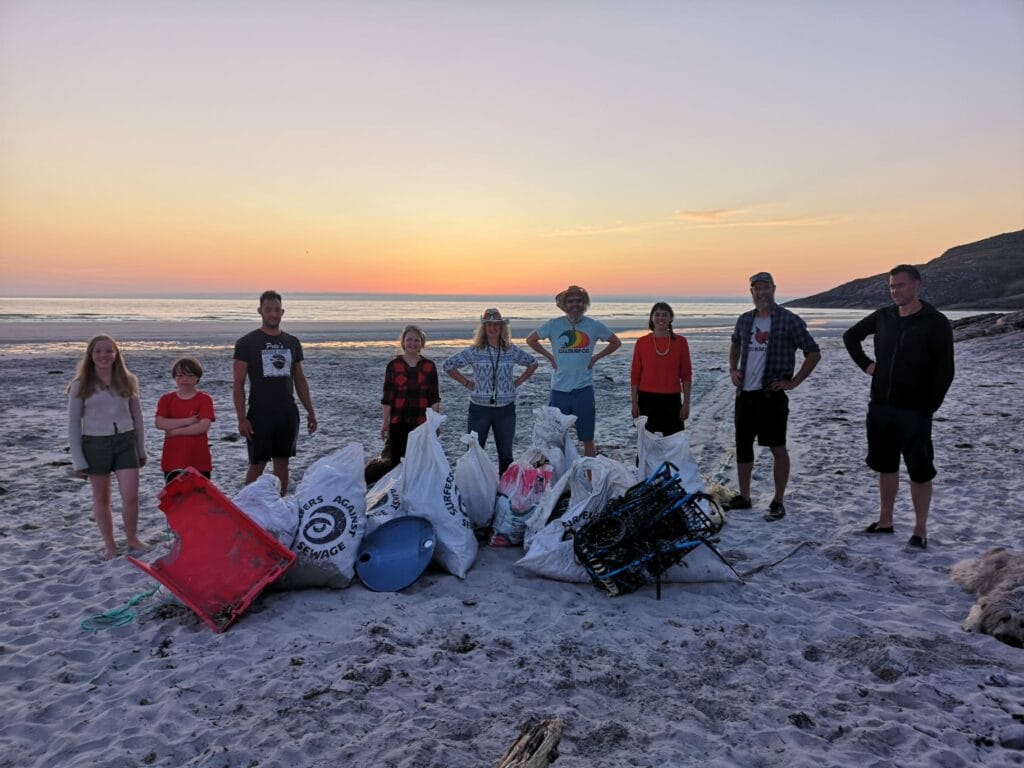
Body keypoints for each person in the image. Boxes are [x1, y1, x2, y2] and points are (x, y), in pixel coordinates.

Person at [843, 264, 955, 550]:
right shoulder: (883, 317)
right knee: (886, 466)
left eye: (901, 285)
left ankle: (920, 529)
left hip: (915, 411)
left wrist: (928, 407)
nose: (895, 291)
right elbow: (850, 337)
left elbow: (945, 371)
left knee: (920, 470)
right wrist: (867, 366)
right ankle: (885, 521)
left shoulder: (935, 322)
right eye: (892, 286)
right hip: (881, 406)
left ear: (917, 285)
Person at [727, 272, 821, 521]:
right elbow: (735, 343)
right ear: (752, 292)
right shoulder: (745, 320)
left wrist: (794, 382)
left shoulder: (789, 320)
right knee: (743, 447)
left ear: (774, 289)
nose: (762, 292)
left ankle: (778, 501)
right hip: (745, 395)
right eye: (757, 288)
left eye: (766, 287)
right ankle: (744, 497)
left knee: (777, 448)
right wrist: (733, 368)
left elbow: (813, 352)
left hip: (772, 396)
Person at [67, 335, 148, 560]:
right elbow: (73, 424)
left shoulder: (128, 380)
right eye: (98, 351)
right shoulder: (80, 385)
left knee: (130, 496)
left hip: (125, 442)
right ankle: (110, 545)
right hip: (94, 444)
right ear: (90, 355)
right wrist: (78, 460)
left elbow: (138, 418)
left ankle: (132, 538)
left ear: (116, 354)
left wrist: (141, 450)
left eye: (108, 351)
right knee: (101, 498)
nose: (103, 356)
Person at [233, 290, 317, 493]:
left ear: (283, 312)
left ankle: (278, 505)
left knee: (282, 463)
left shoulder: (292, 342)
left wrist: (310, 411)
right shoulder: (247, 343)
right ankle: (248, 508)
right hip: (260, 414)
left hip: (286, 412)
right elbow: (238, 383)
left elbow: (299, 379)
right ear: (260, 311)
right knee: (257, 464)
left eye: (277, 310)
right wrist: (241, 418)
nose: (273, 314)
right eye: (268, 309)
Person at [526, 285, 622, 457]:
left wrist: (595, 358)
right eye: (570, 301)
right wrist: (550, 357)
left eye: (578, 301)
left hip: (583, 389)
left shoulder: (594, 325)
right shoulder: (554, 325)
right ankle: (560, 477)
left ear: (584, 303)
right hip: (559, 390)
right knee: (555, 438)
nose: (574, 305)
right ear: (564, 304)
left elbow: (616, 342)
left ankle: (590, 478)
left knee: (587, 437)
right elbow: (531, 339)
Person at [443, 308, 539, 475]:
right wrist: (466, 382)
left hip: (506, 410)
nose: (492, 328)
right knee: (474, 453)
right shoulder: (475, 350)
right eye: (488, 325)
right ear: (484, 328)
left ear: (502, 327)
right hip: (479, 409)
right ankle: (476, 489)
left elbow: (533, 363)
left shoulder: (511, 350)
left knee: (506, 455)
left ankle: (504, 491)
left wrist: (518, 381)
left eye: (496, 325)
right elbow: (448, 365)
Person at [381, 325, 441, 469]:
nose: (412, 343)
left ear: (422, 343)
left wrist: (435, 423)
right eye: (409, 340)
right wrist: (385, 422)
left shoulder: (429, 366)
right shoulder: (394, 365)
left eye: (416, 340)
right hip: (398, 421)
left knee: (421, 462)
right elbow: (387, 397)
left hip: (422, 422)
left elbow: (434, 397)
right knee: (397, 462)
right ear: (403, 342)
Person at [630, 302, 693, 435]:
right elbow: (635, 375)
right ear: (652, 318)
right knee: (646, 444)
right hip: (646, 399)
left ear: (671, 318)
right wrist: (634, 403)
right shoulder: (641, 342)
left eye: (665, 315)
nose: (661, 318)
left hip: (672, 399)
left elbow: (686, 375)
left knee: (674, 443)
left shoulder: (681, 342)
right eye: (657, 314)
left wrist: (686, 403)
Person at [155, 356, 215, 483]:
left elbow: (203, 427)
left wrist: (174, 431)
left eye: (190, 375)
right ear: (175, 377)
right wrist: (188, 421)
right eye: (180, 375)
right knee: (176, 499)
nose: (185, 379)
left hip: (199, 460)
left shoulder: (204, 399)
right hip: (172, 460)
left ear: (197, 377)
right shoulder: (166, 399)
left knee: (200, 499)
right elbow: (160, 423)